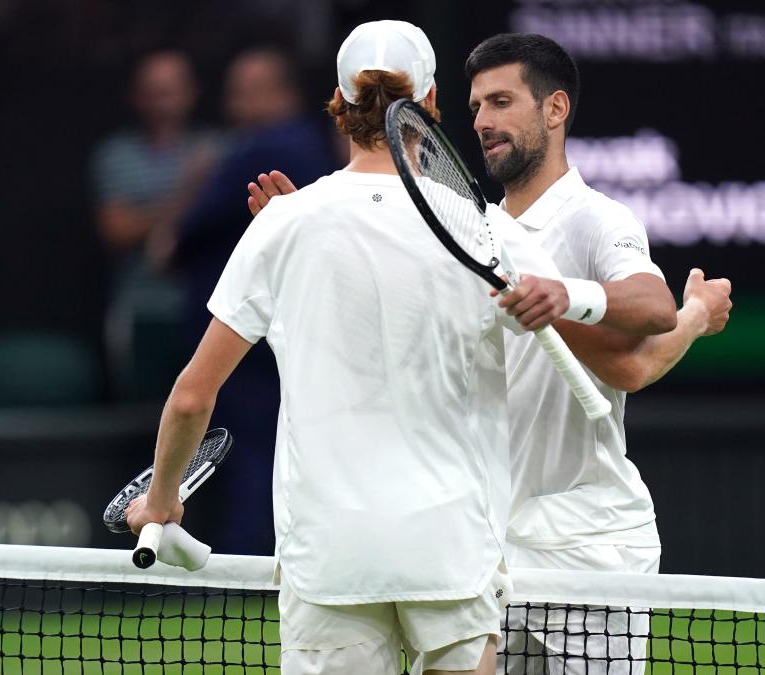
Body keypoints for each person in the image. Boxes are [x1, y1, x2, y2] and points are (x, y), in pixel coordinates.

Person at [247, 32, 734, 675]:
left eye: (502, 102)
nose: (483, 122)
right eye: (476, 106)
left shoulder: (597, 219)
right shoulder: (468, 226)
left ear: (555, 109)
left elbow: (639, 339)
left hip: (584, 543)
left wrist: (605, 301)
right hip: (478, 543)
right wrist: (311, 232)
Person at [125, 20, 588, 675]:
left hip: (332, 558)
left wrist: (163, 498)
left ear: (338, 108)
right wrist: (683, 324)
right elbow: (602, 336)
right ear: (430, 105)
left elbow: (192, 395)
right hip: (450, 549)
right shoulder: (486, 234)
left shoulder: (283, 226)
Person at [173, 46, 339, 556]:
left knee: (250, 450)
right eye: (234, 88)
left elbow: (182, 237)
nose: (236, 100)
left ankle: (244, 567)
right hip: (300, 331)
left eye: (252, 89)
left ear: (286, 92)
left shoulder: (254, 151)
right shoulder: (316, 149)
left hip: (249, 338)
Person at [91, 50, 219, 400]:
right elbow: (116, 230)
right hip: (142, 309)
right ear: (136, 95)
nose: (163, 97)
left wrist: (152, 219)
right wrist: (191, 194)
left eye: (171, 87)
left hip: (211, 311)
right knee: (147, 420)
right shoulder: (116, 154)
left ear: (192, 91)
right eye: (153, 89)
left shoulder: (219, 149)